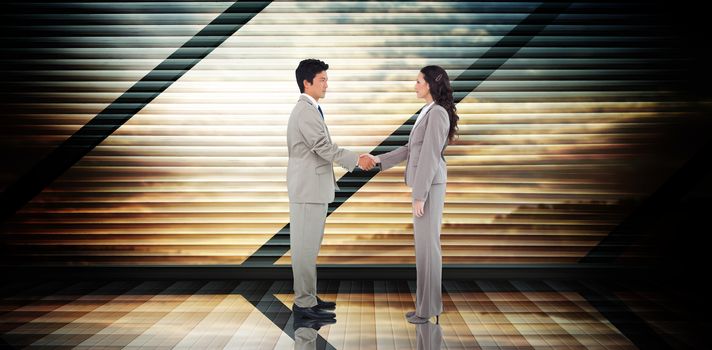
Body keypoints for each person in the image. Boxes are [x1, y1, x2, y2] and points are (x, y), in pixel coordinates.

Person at [287, 59, 376, 320]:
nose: (327, 84)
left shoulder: (311, 109)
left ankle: (309, 298)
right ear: (307, 82)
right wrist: (356, 159)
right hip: (307, 190)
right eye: (322, 79)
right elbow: (323, 147)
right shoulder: (305, 111)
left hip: (312, 190)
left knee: (309, 247)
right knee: (304, 248)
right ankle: (303, 305)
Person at [372, 65, 458, 324]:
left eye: (419, 81)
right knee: (423, 249)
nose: (415, 85)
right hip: (425, 187)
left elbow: (431, 157)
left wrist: (420, 195)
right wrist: (378, 160)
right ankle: (424, 306)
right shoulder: (428, 111)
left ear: (431, 84)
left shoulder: (438, 114)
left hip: (429, 187)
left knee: (429, 249)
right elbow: (411, 149)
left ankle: (429, 308)